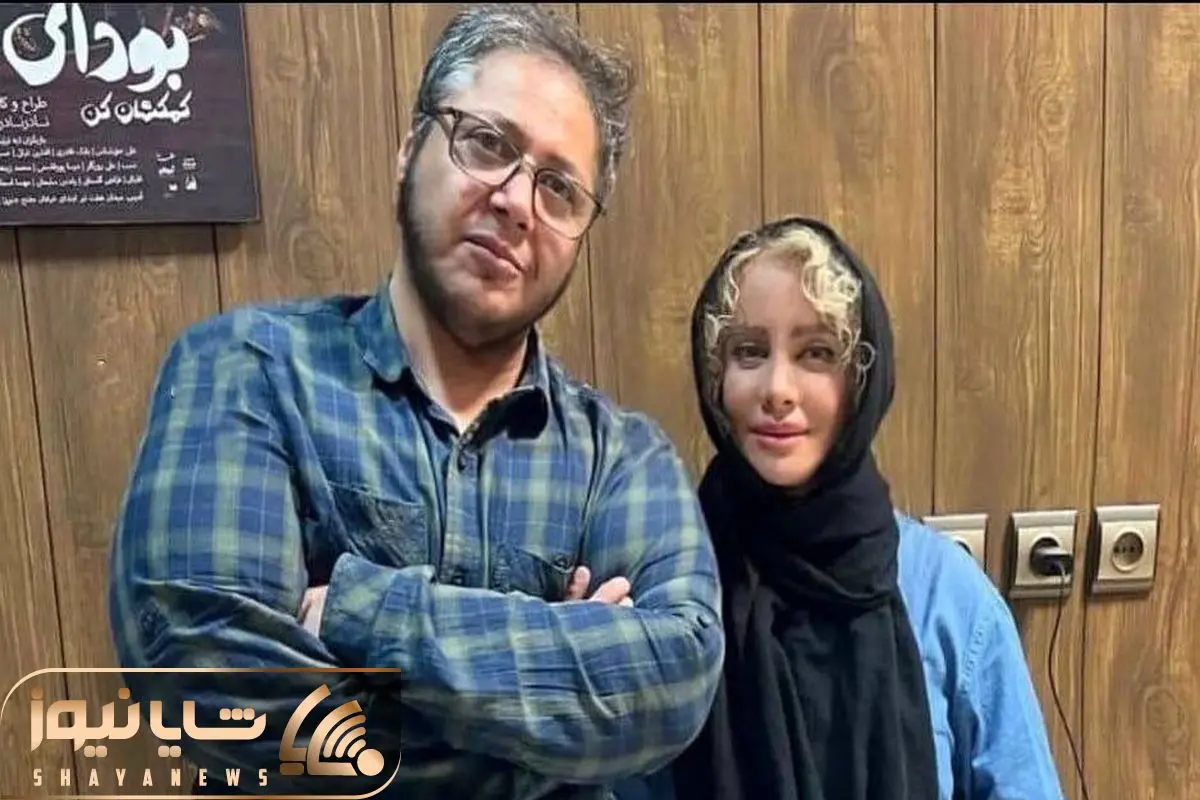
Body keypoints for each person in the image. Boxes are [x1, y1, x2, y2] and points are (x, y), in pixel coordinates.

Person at [107, 5, 724, 799]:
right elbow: (207, 678)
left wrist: (358, 611)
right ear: (409, 153)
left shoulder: (622, 457)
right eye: (488, 143)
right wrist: (544, 726)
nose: (517, 201)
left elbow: (672, 683)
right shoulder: (250, 371)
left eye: (560, 187)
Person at [616, 215, 1064, 800]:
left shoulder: (946, 597)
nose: (778, 389)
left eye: (816, 353)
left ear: (859, 380)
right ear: (716, 380)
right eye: (749, 351)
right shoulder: (669, 591)